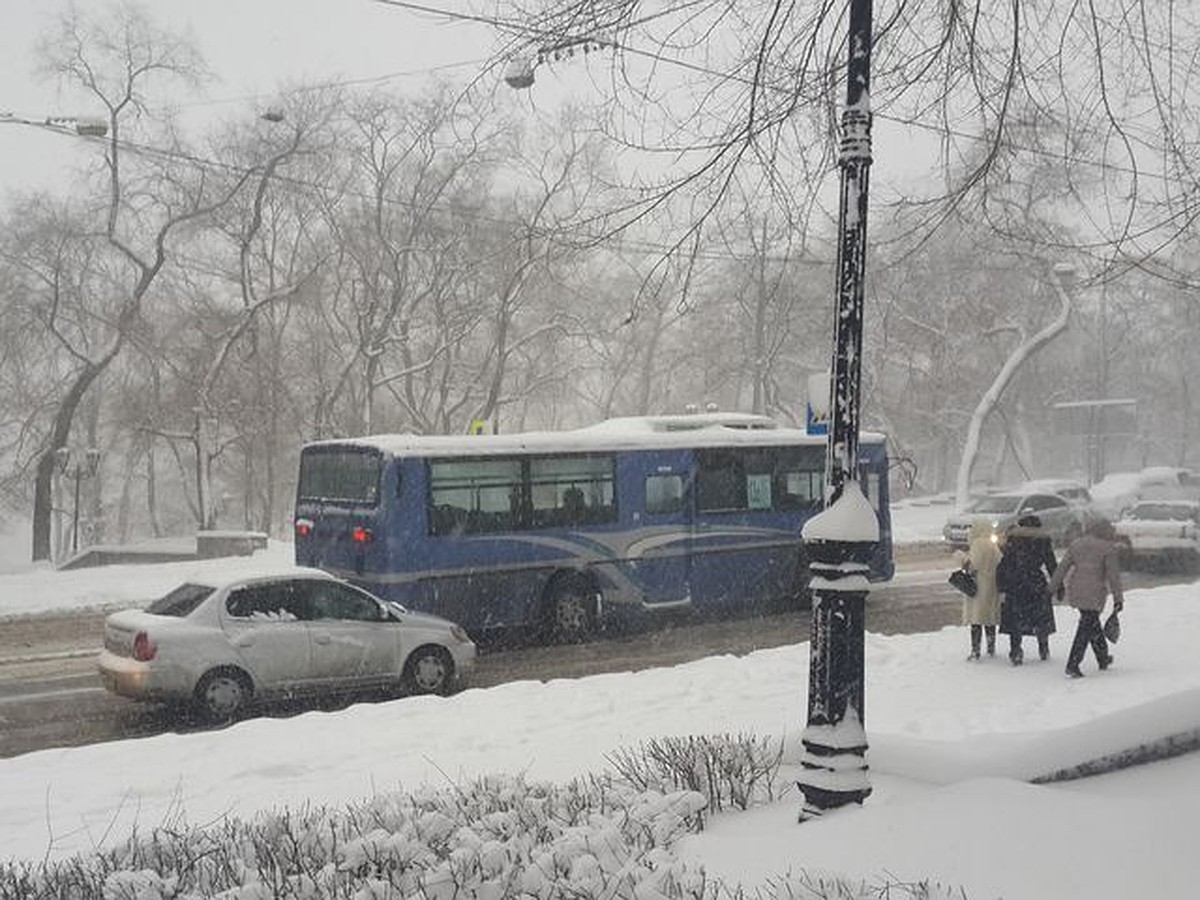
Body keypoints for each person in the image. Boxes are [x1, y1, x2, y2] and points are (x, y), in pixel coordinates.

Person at [1047, 517, 1124, 678]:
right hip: (1094, 592)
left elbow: (1062, 568)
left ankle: (1103, 658)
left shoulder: (1076, 544)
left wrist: (1052, 588)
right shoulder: (1108, 548)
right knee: (1086, 627)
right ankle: (1073, 664)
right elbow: (1113, 577)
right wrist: (1118, 599)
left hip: (1077, 589)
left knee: (1091, 623)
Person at [996, 514, 1057, 665]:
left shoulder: (1014, 540)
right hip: (1036, 583)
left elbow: (1005, 564)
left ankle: (1016, 651)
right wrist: (1057, 585)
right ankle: (1043, 648)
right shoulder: (1043, 541)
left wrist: (1001, 584)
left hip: (1016, 584)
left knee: (1015, 620)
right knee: (1040, 619)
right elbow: (1051, 564)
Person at [961, 519, 1002, 660]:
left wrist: (962, 560)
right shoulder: (992, 545)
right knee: (989, 619)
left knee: (976, 619)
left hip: (979, 586)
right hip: (992, 585)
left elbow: (973, 566)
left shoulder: (978, 544)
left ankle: (975, 650)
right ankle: (991, 648)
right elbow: (999, 562)